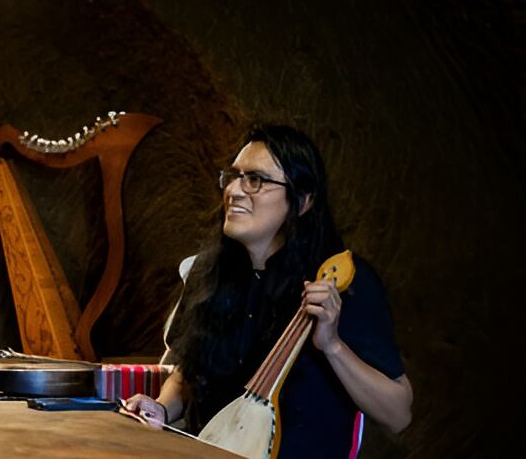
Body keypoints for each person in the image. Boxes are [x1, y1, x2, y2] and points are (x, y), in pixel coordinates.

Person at [125, 124, 412, 457]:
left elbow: (399, 414)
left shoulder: (342, 284)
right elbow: (191, 376)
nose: (234, 190)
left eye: (255, 180)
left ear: (303, 202)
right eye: (233, 176)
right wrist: (161, 408)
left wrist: (332, 345)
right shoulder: (209, 273)